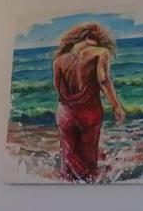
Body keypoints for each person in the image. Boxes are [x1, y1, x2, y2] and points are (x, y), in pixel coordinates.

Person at [52, 22, 126, 182]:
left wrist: (72, 100)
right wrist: (116, 106)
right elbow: (104, 81)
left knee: (69, 153)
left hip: (65, 112)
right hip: (89, 111)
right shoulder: (100, 53)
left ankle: (69, 184)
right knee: (89, 153)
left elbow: (58, 88)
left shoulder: (59, 60)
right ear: (91, 37)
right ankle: (92, 184)